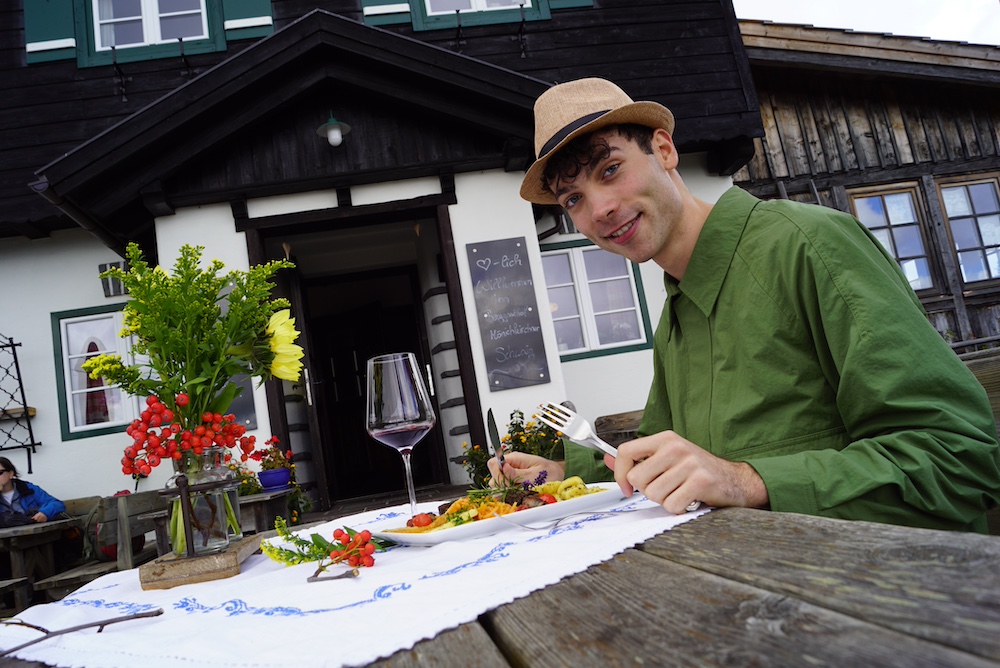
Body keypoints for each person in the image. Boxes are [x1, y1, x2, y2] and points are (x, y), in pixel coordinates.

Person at [488, 77, 1000, 533]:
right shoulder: (675, 318)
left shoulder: (808, 244)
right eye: (572, 198)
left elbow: (962, 460)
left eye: (611, 169)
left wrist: (747, 481)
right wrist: (564, 472)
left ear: (664, 149)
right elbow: (663, 458)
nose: (599, 209)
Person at [0, 456, 66, 525]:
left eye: (0, 473)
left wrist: (45, 513)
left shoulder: (27, 488)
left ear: (11, 474)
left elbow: (57, 504)